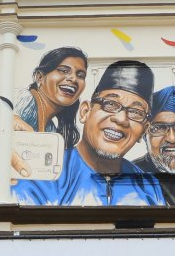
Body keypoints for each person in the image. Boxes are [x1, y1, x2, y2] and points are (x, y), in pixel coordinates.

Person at [12, 60, 164, 206]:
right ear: (85, 111)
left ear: (144, 130)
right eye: (110, 104)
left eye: (136, 112)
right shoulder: (43, 175)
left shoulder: (148, 186)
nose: (121, 119)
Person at [11, 48, 87, 176]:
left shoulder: (50, 129)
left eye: (81, 75)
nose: (73, 79)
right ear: (40, 77)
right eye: (63, 70)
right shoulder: (23, 97)